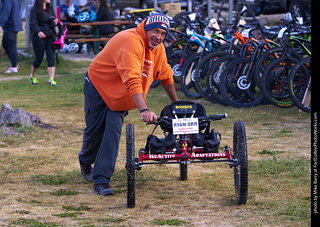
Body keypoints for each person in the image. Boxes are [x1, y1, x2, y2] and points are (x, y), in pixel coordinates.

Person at [78, 13, 179, 196]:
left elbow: (166, 76)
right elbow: (132, 79)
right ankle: (85, 160)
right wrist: (144, 109)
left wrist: (177, 104)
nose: (159, 37)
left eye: (163, 34)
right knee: (95, 131)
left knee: (113, 132)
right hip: (99, 85)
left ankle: (101, 181)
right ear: (146, 29)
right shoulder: (131, 41)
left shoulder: (158, 49)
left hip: (121, 96)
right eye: (155, 31)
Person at [29, 0, 59, 86]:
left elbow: (52, 21)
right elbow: (33, 23)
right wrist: (38, 32)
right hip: (39, 37)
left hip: (50, 36)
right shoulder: (35, 9)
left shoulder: (50, 8)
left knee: (50, 57)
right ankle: (33, 75)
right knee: (39, 58)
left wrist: (55, 22)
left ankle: (51, 80)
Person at [0, 0, 23, 74]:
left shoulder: (7, 1)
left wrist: (1, 24)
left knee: (11, 46)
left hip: (11, 25)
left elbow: (5, 13)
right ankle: (14, 63)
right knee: (5, 44)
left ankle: (14, 67)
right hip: (12, 25)